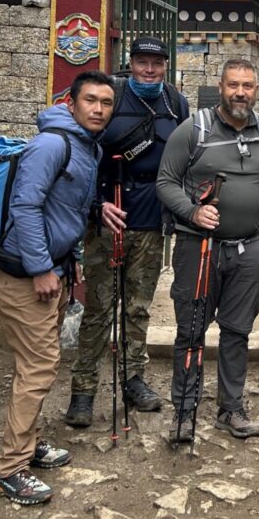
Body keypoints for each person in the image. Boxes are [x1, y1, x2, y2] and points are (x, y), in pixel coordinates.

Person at [0, 71, 115, 505]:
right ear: (72, 102)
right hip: (27, 278)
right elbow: (26, 205)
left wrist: (68, 263)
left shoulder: (85, 146)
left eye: (106, 102)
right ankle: (11, 469)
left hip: (54, 272)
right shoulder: (52, 144)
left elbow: (63, 211)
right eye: (91, 100)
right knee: (40, 367)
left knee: (36, 365)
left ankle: (29, 442)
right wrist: (43, 267)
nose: (98, 109)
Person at [156, 58, 259, 441]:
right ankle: (184, 410)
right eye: (233, 85)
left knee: (237, 331)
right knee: (191, 330)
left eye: (247, 85)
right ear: (221, 86)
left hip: (249, 252)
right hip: (199, 248)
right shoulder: (193, 130)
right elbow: (165, 182)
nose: (240, 92)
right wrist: (193, 212)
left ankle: (231, 408)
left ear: (256, 89)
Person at [65, 37, 189, 427]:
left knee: (137, 307)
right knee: (100, 308)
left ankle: (133, 378)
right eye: (142, 62)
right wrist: (95, 206)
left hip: (152, 218)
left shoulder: (175, 102)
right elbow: (82, 153)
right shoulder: (111, 96)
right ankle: (83, 390)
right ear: (130, 63)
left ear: (165, 66)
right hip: (108, 215)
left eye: (156, 63)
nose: (149, 70)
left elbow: (185, 155)